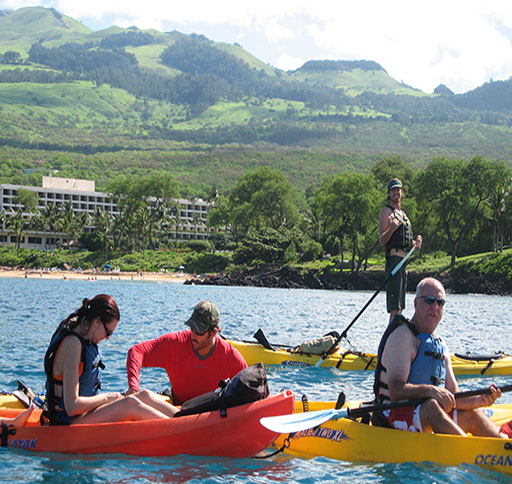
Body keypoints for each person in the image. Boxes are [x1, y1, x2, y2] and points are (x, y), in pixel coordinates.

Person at [373, 277, 507, 437]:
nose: (435, 307)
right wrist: (432, 391)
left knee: (474, 414)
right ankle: (466, 450)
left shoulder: (440, 345)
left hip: (425, 415)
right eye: (429, 301)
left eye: (440, 303)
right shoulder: (402, 336)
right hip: (391, 416)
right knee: (431, 407)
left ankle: (503, 447)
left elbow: (453, 394)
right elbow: (396, 390)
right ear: (416, 303)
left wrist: (479, 400)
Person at [44, 294, 179, 425]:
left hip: (85, 413)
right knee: (130, 404)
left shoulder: (84, 334)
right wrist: (107, 398)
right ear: (97, 322)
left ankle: (186, 418)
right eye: (108, 332)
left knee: (145, 395)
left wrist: (108, 399)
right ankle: (178, 429)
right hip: (68, 422)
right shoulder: (73, 344)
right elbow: (72, 407)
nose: (107, 338)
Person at [126, 301, 248, 405]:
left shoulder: (230, 357)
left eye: (199, 331)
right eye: (192, 329)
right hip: (177, 408)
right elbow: (136, 351)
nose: (193, 335)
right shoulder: (175, 344)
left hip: (212, 413)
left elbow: (251, 387)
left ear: (213, 333)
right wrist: (133, 387)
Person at [378, 178, 422, 322]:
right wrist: (390, 229)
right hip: (394, 261)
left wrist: (415, 244)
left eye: (398, 189)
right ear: (389, 194)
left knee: (400, 308)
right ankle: (390, 341)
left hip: (403, 263)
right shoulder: (386, 212)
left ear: (402, 192)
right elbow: (382, 240)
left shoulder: (403, 215)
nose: (396, 192)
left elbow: (406, 242)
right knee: (395, 308)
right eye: (393, 190)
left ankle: (395, 339)